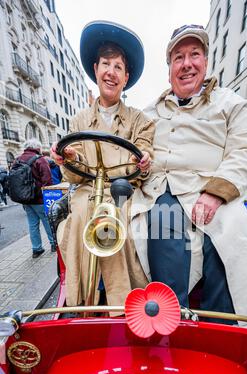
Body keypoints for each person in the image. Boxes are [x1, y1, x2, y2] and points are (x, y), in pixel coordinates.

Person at [130, 24, 247, 329]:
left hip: (210, 187)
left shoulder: (231, 104)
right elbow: (130, 146)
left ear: (205, 62)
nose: (187, 63)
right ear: (169, 70)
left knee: (235, 228)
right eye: (178, 57)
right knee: (164, 220)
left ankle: (222, 329)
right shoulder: (149, 112)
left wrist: (216, 192)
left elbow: (244, 151)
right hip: (162, 188)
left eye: (194, 54)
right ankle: (169, 321)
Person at [51, 21, 154, 307]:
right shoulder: (78, 122)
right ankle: (80, 300)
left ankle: (122, 304)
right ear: (96, 69)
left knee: (117, 215)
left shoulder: (141, 121)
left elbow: (143, 161)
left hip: (125, 190)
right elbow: (73, 177)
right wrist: (68, 159)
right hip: (87, 188)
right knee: (83, 209)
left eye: (118, 66)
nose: (111, 72)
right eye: (106, 64)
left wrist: (143, 162)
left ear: (126, 76)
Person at [13, 139, 56, 258]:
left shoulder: (18, 159)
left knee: (32, 224)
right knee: (48, 222)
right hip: (39, 199)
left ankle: (37, 249)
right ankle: (53, 244)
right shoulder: (39, 159)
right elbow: (48, 181)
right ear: (38, 148)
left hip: (25, 199)